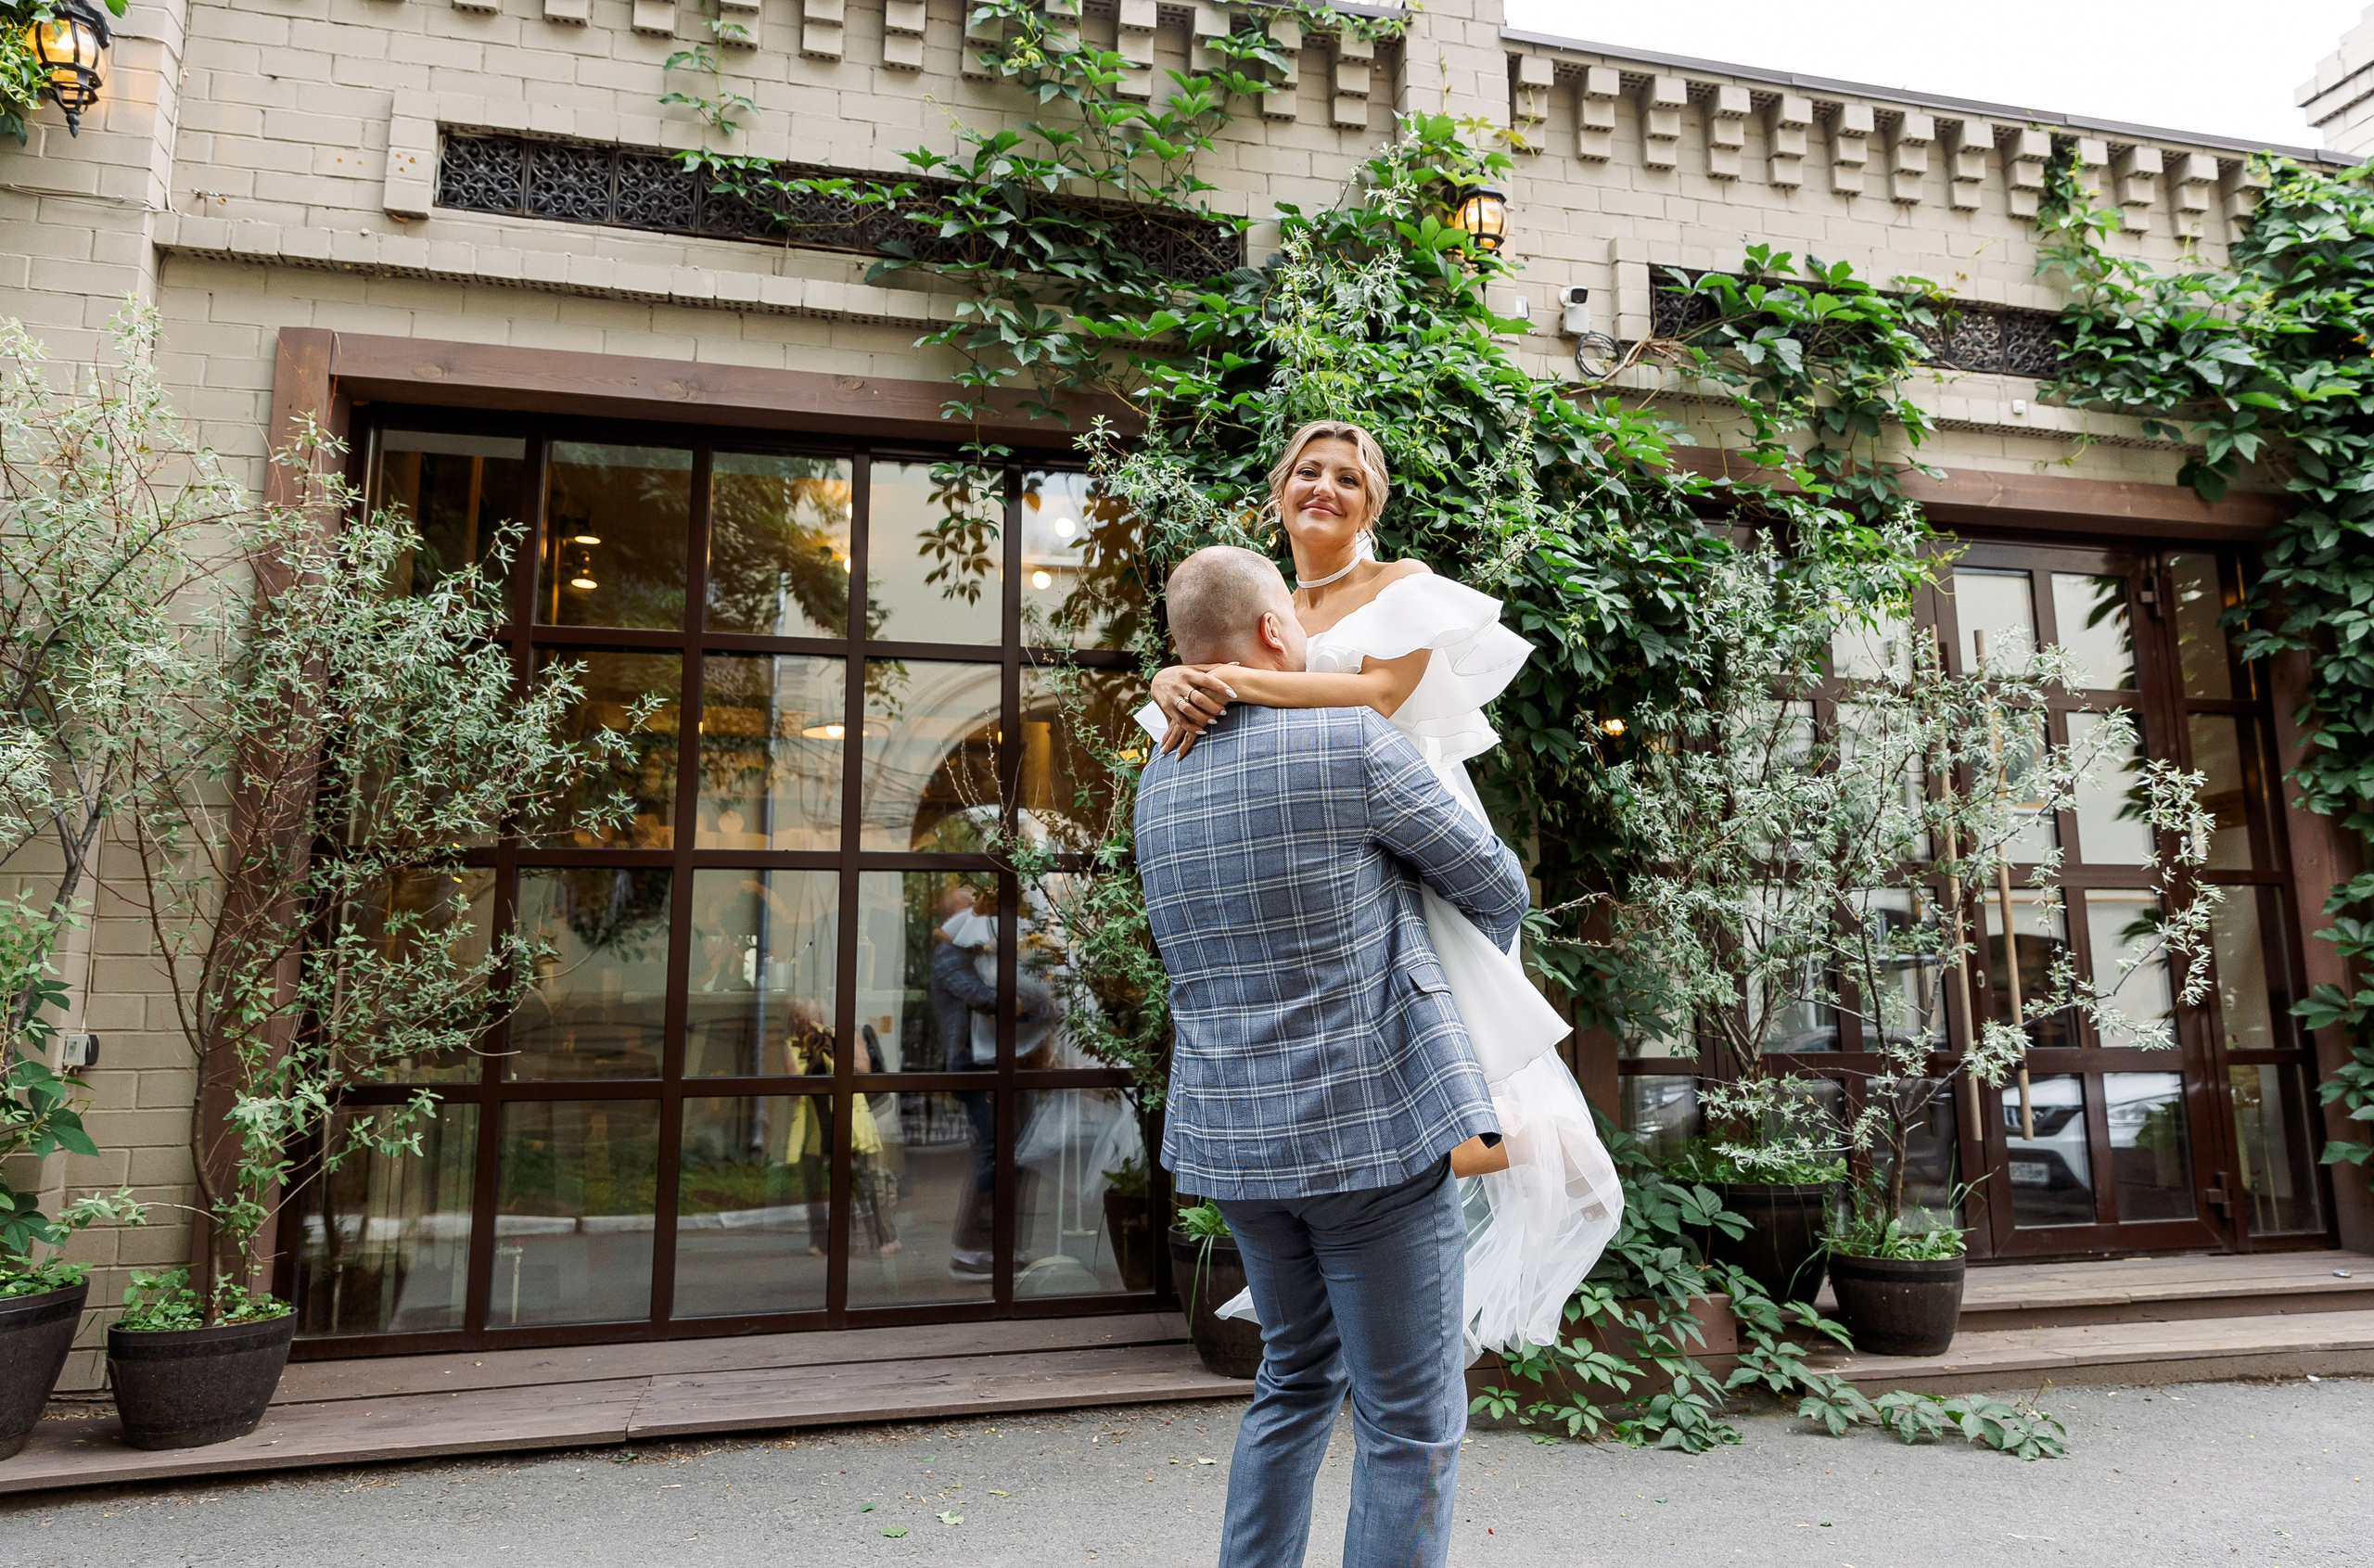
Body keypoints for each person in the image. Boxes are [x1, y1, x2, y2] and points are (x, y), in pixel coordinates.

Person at [1147, 419, 1623, 1358]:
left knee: (1445, 1017)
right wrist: (1174, 676)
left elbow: (1373, 697)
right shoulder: (1254, 599)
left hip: (1403, 814)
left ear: (1374, 501)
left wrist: (1220, 677)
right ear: (1278, 490)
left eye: (1349, 477)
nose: (1326, 487)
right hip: (1294, 845)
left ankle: (1510, 1137)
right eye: (1308, 473)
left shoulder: (1401, 589)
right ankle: (1428, 1179)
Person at [1135, 542, 1526, 1568]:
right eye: (1295, 626)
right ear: (1273, 633)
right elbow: (1496, 884)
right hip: (1369, 1134)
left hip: (1235, 1141)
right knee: (1409, 1418)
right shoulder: (1346, 739)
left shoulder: (1156, 780)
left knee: (1293, 1376)